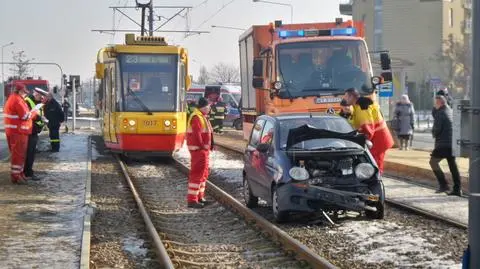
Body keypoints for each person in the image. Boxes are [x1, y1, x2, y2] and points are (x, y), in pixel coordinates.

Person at [343, 88, 394, 174]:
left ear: (351, 97)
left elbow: (367, 127)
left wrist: (362, 139)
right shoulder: (359, 106)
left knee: (374, 164)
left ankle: (376, 182)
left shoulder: (362, 107)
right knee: (373, 162)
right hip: (379, 138)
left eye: (346, 97)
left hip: (378, 140)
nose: (344, 99)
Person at [3, 83, 39, 184]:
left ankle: (20, 174)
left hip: (18, 131)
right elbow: (25, 116)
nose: (25, 94)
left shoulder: (15, 99)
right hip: (18, 132)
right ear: (19, 91)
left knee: (20, 155)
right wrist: (34, 113)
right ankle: (16, 176)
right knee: (18, 155)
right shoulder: (17, 100)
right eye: (24, 92)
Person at [429, 95, 462, 196]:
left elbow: (436, 130)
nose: (434, 105)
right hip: (452, 143)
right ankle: (457, 189)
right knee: (453, 165)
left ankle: (444, 185)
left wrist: (433, 132)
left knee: (433, 162)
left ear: (439, 103)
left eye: (435, 103)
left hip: (443, 144)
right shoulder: (450, 110)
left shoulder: (440, 113)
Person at [186, 97, 214, 208]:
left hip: (203, 150)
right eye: (208, 106)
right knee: (197, 174)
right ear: (204, 107)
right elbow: (197, 135)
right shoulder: (197, 117)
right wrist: (203, 146)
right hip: (199, 150)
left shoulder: (202, 117)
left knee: (203, 174)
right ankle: (192, 200)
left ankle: (199, 197)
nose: (210, 108)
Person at [24, 88, 48, 181]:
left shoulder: (38, 103)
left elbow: (38, 114)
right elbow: (28, 115)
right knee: (29, 153)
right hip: (29, 131)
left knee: (31, 153)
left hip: (34, 131)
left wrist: (43, 119)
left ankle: (28, 171)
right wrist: (39, 118)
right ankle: (28, 173)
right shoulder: (28, 101)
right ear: (36, 94)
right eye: (41, 96)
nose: (42, 98)